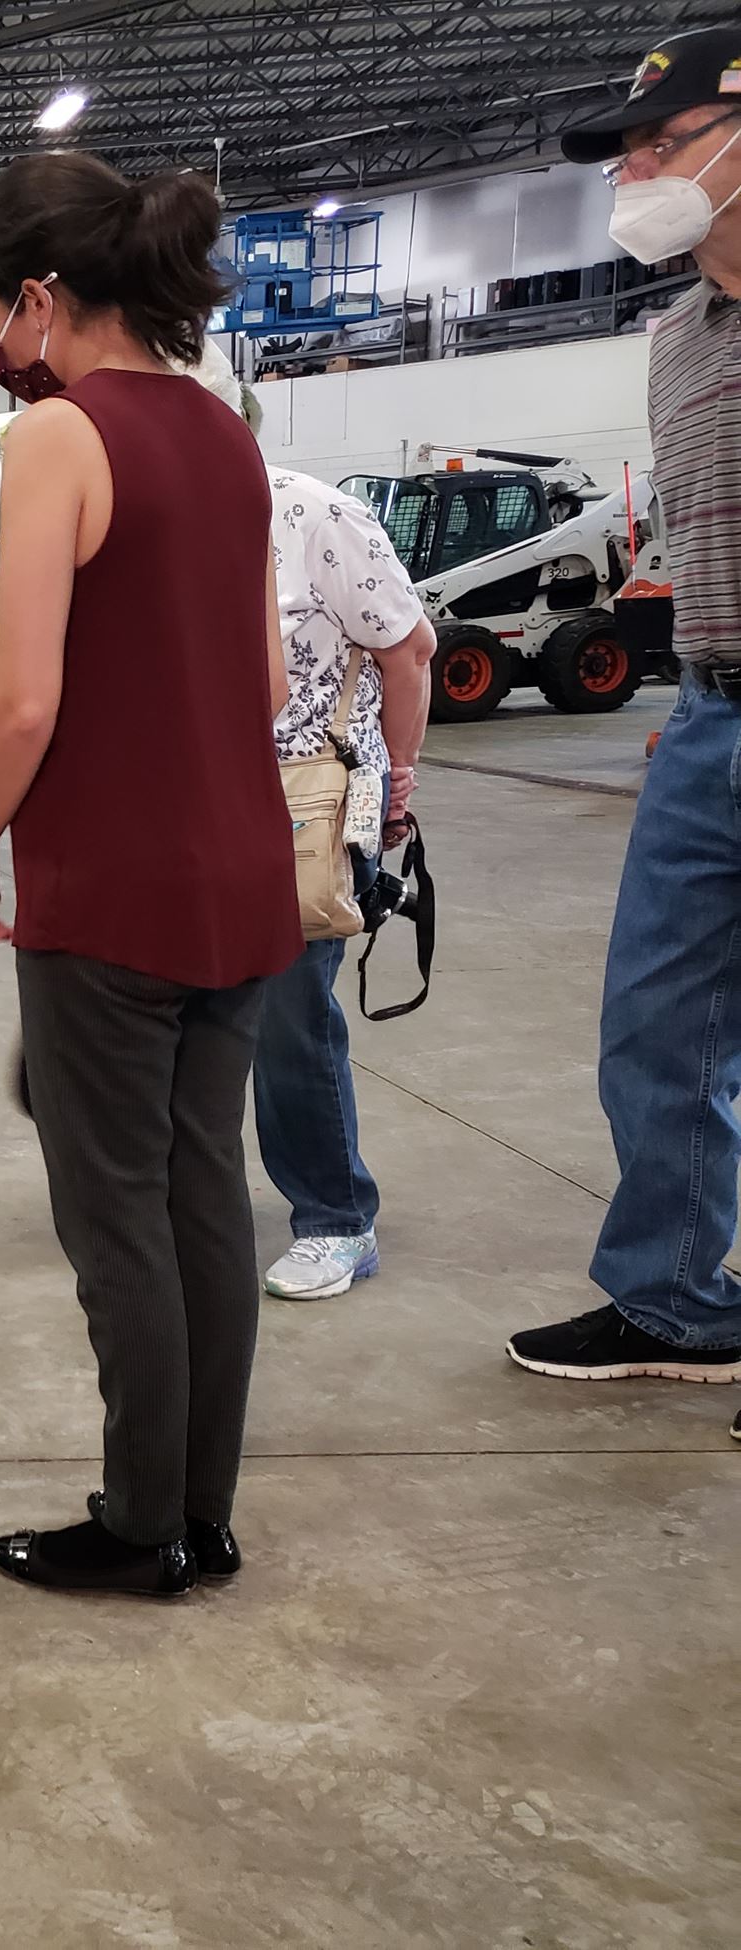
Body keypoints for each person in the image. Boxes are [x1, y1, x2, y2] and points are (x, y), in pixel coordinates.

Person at [0, 154, 299, 1597]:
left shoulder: (57, 441)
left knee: (113, 1217)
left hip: (111, 890)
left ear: (39, 299)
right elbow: (269, 678)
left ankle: (140, 1518)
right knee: (203, 1196)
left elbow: (24, 700)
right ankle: (203, 1510)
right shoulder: (226, 434)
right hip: (243, 877)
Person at [509, 26, 741, 1427]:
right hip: (711, 717)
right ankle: (674, 1297)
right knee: (656, 1022)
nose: (638, 174)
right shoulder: (675, 340)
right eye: (631, 152)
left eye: (664, 143)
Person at [191, 351, 438, 1301]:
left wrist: (395, 786)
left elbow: (409, 652)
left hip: (304, 801)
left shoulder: (313, 515)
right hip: (199, 795)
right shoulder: (159, 524)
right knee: (198, 1010)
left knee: (290, 1016)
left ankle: (337, 1218)